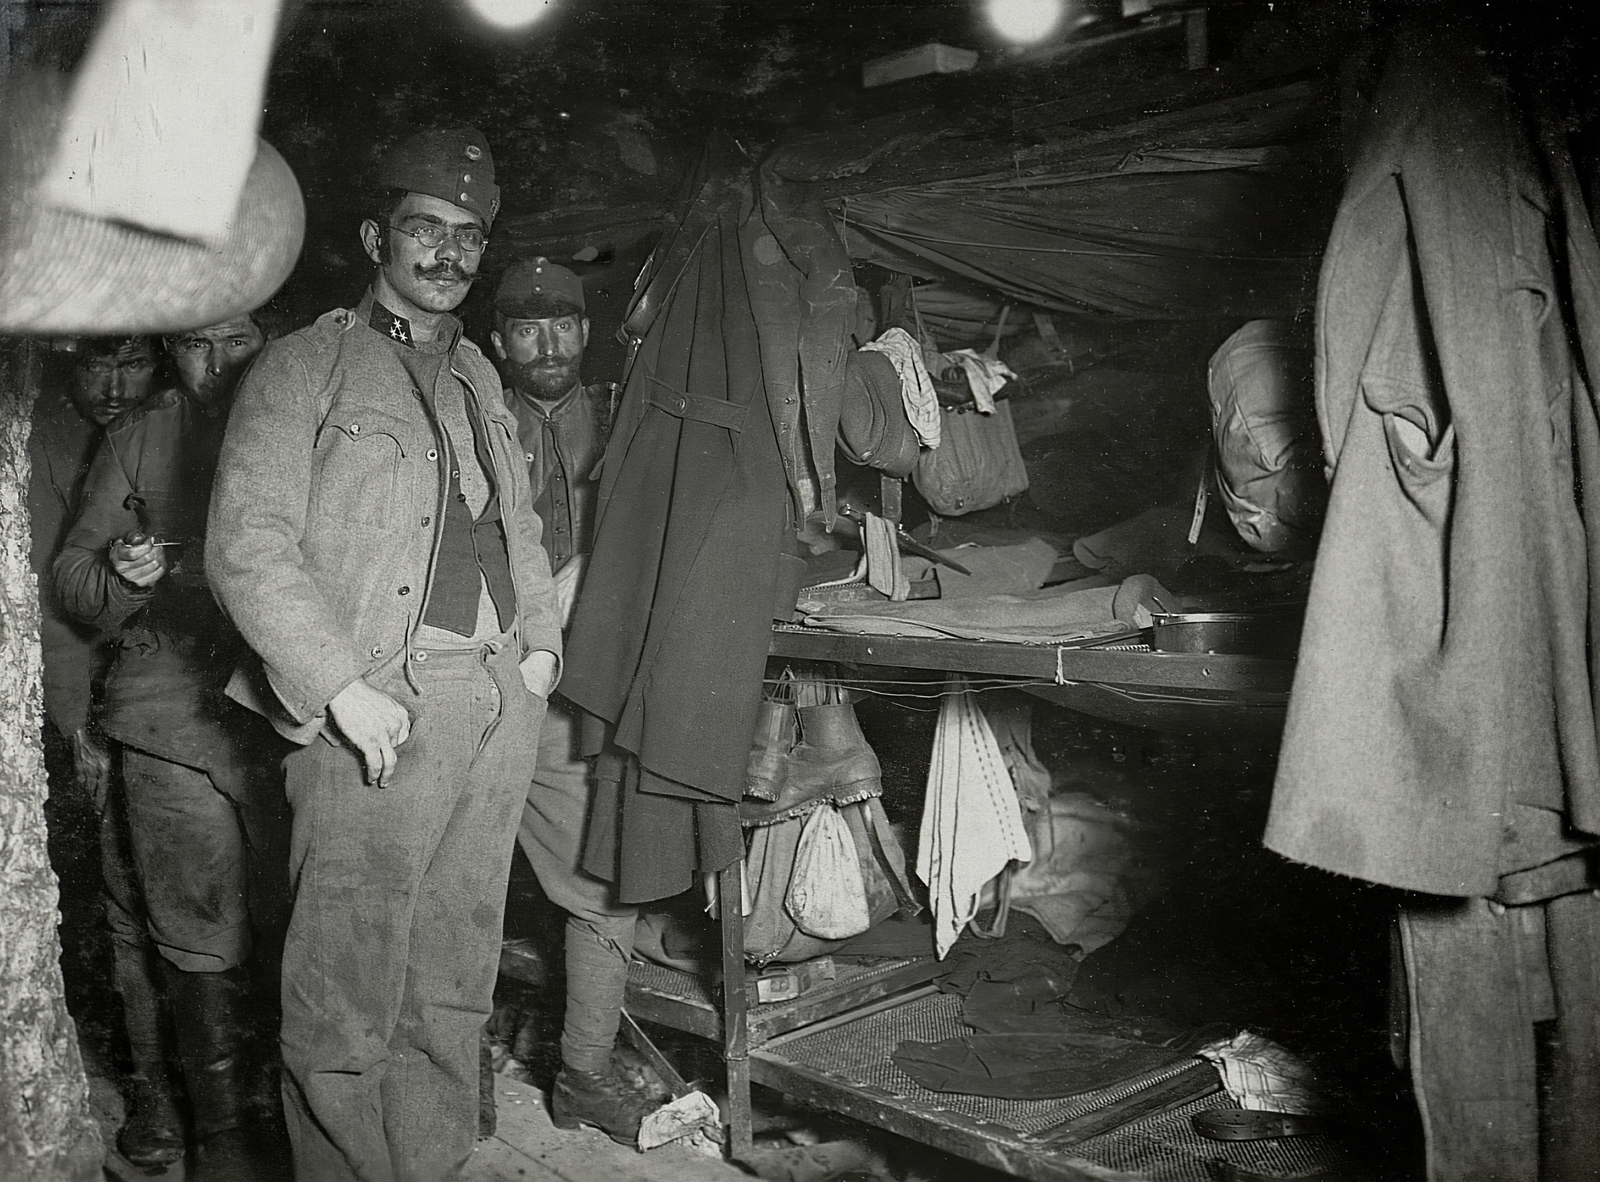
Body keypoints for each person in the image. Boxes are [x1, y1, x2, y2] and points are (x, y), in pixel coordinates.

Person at [206, 127, 563, 1182]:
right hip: (380, 705)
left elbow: (523, 526)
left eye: (467, 237)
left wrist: (538, 647)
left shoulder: (480, 375)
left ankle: (432, 1162)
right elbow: (246, 546)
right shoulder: (303, 365)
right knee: (346, 988)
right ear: (377, 237)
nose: (448, 254)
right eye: (425, 229)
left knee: (454, 973)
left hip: (495, 694)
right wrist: (339, 688)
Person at [52, 312, 289, 1181]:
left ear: (272, 337)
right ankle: (220, 1133)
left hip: (295, 713)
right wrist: (120, 569)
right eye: (194, 342)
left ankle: (283, 1111)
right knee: (190, 926)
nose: (216, 362)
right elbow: (72, 577)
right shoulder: (143, 436)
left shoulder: (316, 412)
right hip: (171, 716)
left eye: (237, 340)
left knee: (298, 919)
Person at [489, 259, 651, 1144]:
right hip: (478, 681)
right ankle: (456, 1068)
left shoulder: (620, 413)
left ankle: (583, 1074)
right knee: (453, 879)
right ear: (497, 340)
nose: (546, 344)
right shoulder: (470, 415)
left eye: (562, 325)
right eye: (525, 327)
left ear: (586, 333)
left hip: (572, 697)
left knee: (598, 882)